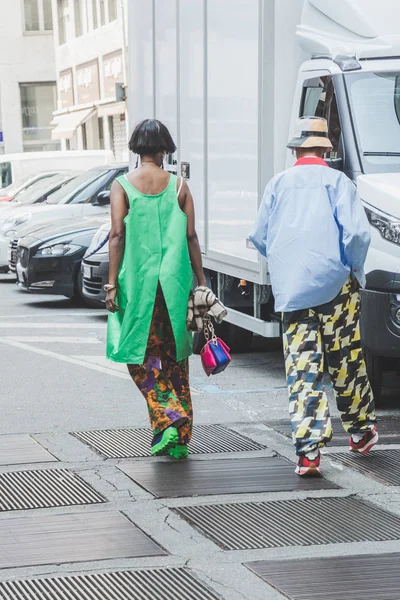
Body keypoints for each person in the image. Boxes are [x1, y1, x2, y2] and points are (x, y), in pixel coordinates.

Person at [249, 116, 378, 477]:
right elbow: (357, 236)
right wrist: (353, 269)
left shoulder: (278, 184)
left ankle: (308, 453)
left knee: (303, 370)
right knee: (346, 362)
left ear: (294, 149)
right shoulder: (338, 182)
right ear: (327, 148)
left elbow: (259, 236)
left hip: (293, 294)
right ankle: (362, 433)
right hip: (335, 289)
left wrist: (288, 266)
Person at [105, 119, 206, 459]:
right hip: (175, 286)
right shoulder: (179, 186)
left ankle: (169, 418)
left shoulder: (122, 186)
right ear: (164, 148)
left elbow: (117, 235)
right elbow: (191, 236)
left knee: (138, 355)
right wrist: (202, 282)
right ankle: (178, 437)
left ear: (136, 148)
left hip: (138, 285)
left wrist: (111, 283)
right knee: (175, 359)